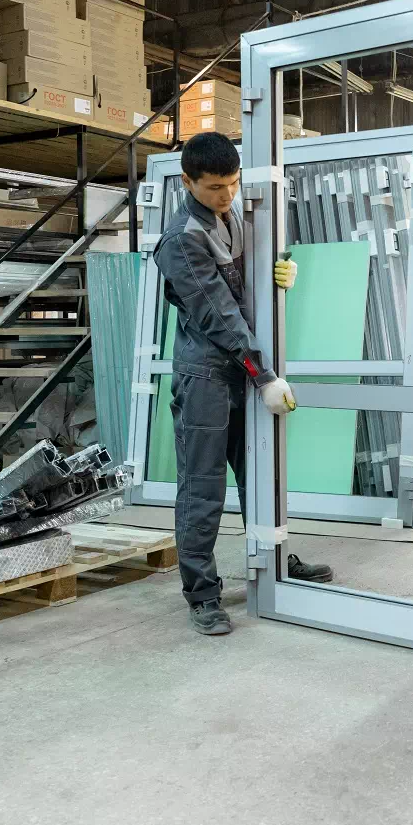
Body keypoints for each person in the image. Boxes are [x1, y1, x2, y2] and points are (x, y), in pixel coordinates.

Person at [152, 132, 334, 637]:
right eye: (214, 187)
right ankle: (202, 595)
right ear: (187, 182)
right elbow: (219, 314)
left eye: (232, 183)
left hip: (242, 371)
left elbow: (247, 287)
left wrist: (279, 272)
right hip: (207, 376)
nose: (226, 194)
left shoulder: (237, 217)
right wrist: (265, 376)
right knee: (203, 488)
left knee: (261, 474)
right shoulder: (181, 239)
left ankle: (273, 560)